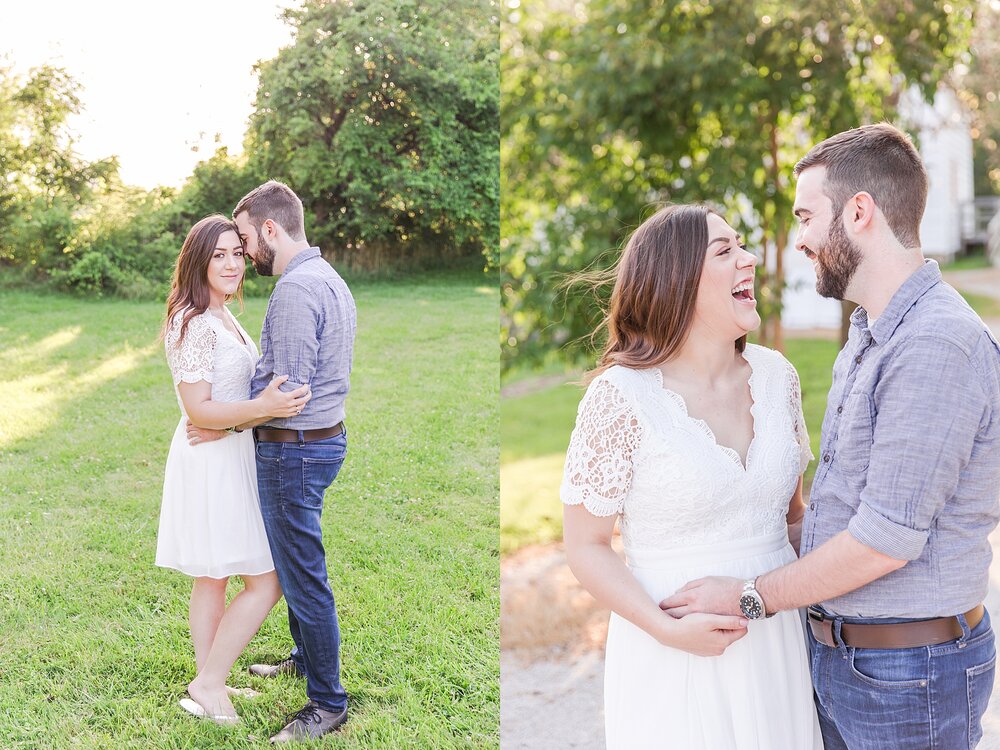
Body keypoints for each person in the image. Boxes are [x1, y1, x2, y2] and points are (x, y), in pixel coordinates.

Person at [661, 123, 1000, 749]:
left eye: (807, 217)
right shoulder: (871, 334)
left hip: (908, 674)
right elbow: (837, 516)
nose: (800, 240)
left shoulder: (934, 343)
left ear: (859, 212)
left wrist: (748, 596)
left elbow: (882, 541)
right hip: (854, 664)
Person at [561, 204, 823, 748]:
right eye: (725, 252)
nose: (749, 260)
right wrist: (665, 630)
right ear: (675, 280)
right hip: (674, 647)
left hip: (777, 638)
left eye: (741, 246)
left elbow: (793, 518)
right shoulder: (619, 398)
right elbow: (586, 546)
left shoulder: (778, 377)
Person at [188, 181, 357, 743]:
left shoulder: (293, 291)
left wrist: (226, 422)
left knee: (302, 576)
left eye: (243, 239)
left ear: (269, 230)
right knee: (290, 560)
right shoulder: (326, 275)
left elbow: (283, 392)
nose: (241, 253)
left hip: (295, 449)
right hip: (320, 441)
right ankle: (305, 660)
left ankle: (328, 703)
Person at [156, 214, 312, 724]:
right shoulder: (193, 323)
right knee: (265, 582)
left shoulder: (222, 314)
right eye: (217, 254)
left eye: (235, 254)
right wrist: (266, 408)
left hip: (227, 452)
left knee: (213, 576)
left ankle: (210, 682)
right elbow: (198, 409)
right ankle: (209, 682)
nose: (230, 264)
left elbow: (221, 408)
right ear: (197, 260)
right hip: (211, 465)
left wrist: (245, 419)